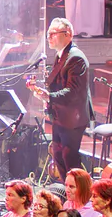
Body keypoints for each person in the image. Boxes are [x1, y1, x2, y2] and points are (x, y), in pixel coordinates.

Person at [32, 18, 92, 175]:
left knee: (69, 158)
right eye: (48, 34)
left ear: (69, 35)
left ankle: (80, 195)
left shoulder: (75, 58)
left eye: (54, 33)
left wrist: (49, 96)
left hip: (72, 118)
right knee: (58, 156)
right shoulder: (61, 55)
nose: (49, 37)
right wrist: (43, 94)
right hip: (61, 115)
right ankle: (69, 194)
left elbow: (73, 91)